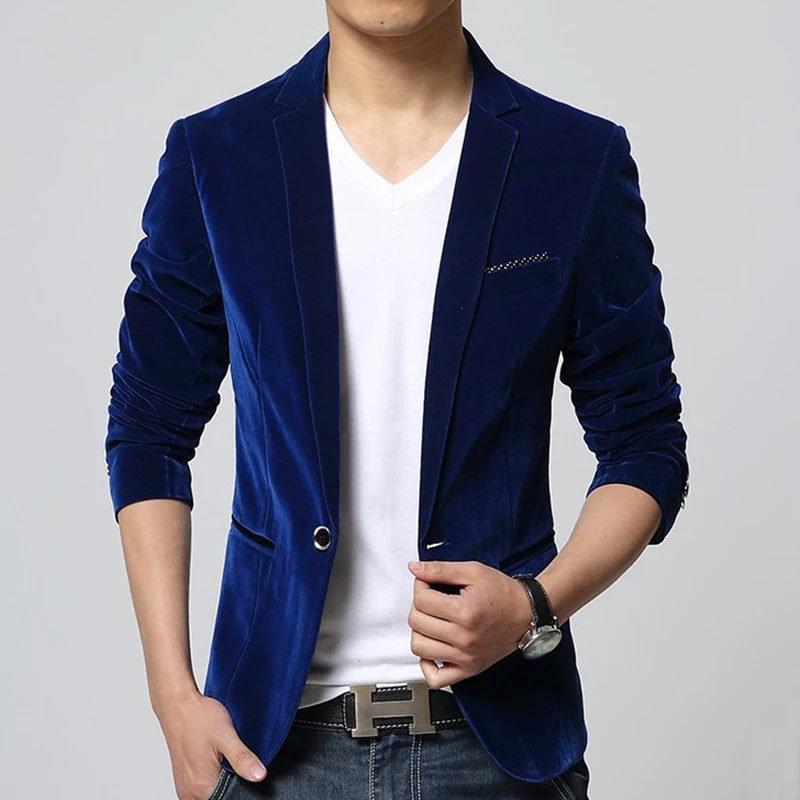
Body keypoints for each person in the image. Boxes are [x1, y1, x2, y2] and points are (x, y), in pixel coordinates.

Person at [105, 3, 689, 799]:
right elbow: (148, 430)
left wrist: (534, 606)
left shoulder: (574, 160)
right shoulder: (219, 157)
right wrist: (172, 696)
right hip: (272, 749)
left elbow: (645, 441)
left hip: (497, 753)